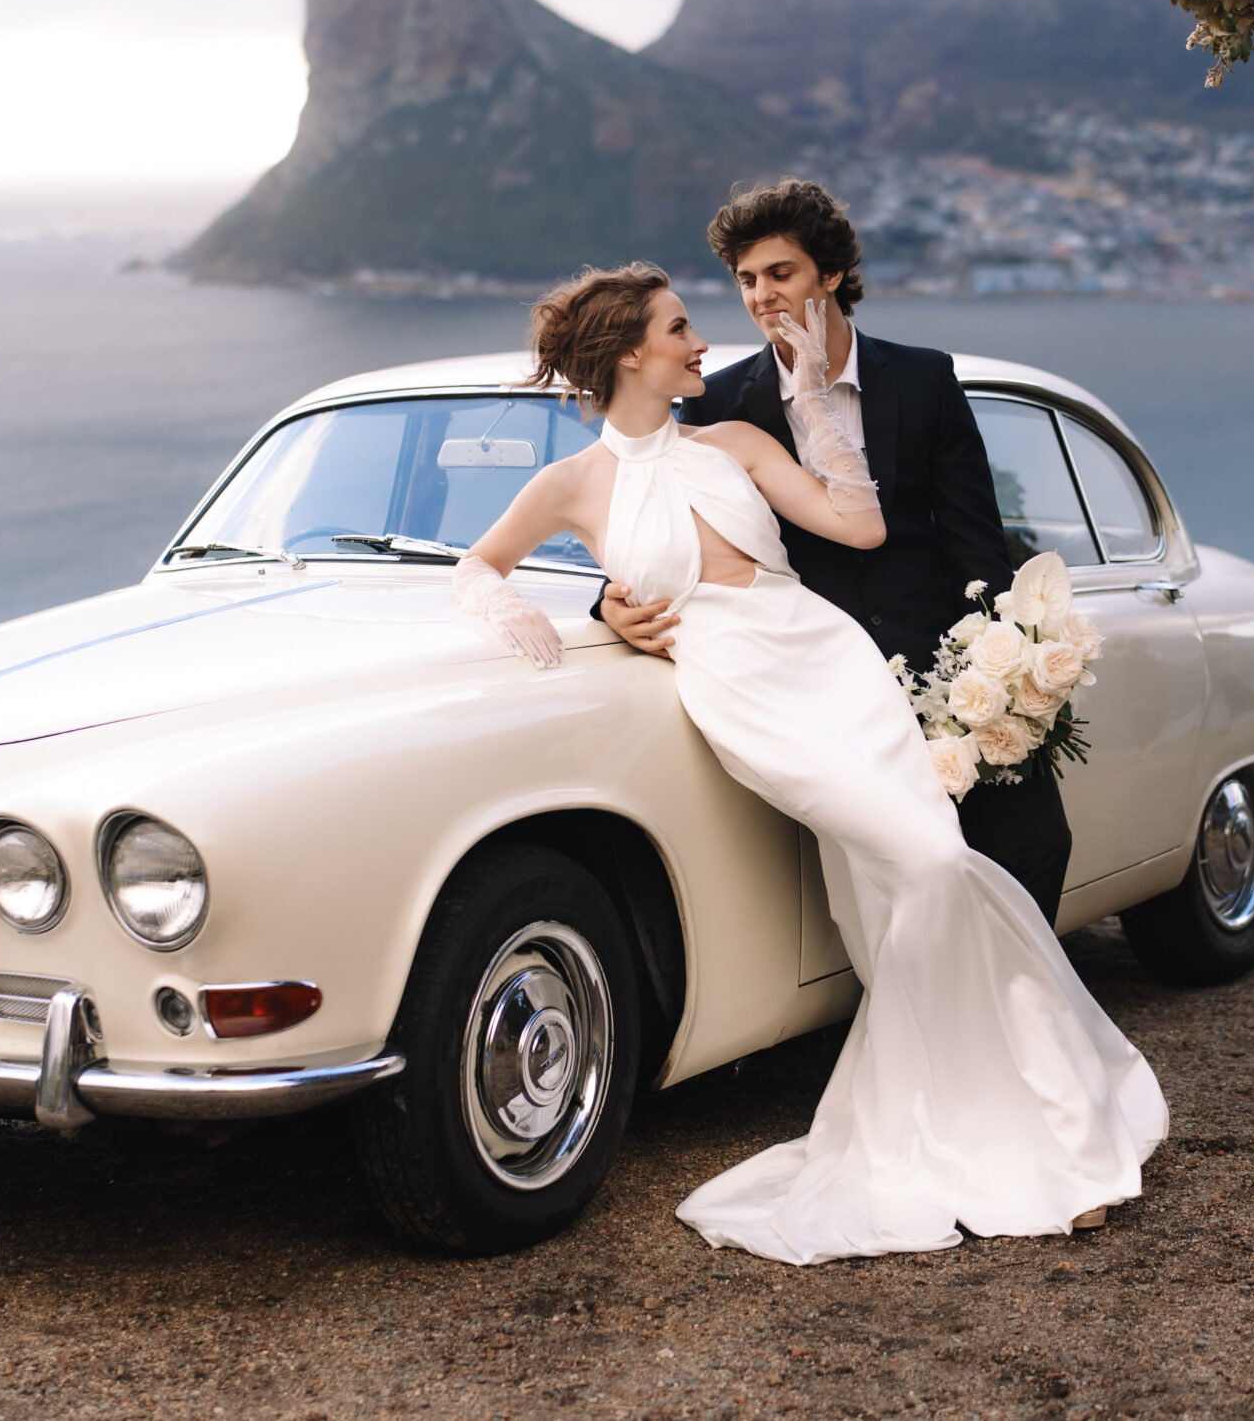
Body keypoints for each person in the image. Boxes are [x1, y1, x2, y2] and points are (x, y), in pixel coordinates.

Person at [454, 263, 1166, 1266]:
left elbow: (858, 525)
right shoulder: (569, 485)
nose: (701, 342)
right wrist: (547, 613)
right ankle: (990, 1112)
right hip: (744, 691)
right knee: (922, 869)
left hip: (831, 664)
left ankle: (1023, 1116)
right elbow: (476, 565)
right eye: (679, 326)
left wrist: (823, 405)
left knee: (923, 869)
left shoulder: (735, 441)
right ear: (627, 354)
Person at [594, 181, 1075, 929]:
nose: (760, 296)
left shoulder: (923, 380)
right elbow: (652, 516)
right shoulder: (717, 405)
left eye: (779, 273)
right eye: (746, 279)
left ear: (831, 275)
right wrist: (608, 602)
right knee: (908, 870)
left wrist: (1003, 660)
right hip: (817, 677)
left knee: (1036, 842)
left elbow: (977, 541)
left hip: (950, 664)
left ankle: (1015, 1011)